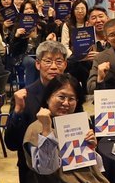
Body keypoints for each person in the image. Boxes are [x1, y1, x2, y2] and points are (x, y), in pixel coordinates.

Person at [5, 41, 70, 169]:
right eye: (48, 61)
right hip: (33, 167)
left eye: (58, 62)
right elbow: (11, 144)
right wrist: (18, 112)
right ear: (38, 64)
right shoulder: (24, 96)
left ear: (65, 65)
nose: (53, 67)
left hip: (68, 163)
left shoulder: (72, 94)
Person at [88, 18, 115, 95]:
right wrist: (100, 78)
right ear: (107, 38)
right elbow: (90, 88)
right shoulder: (100, 58)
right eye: (112, 35)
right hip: (114, 98)